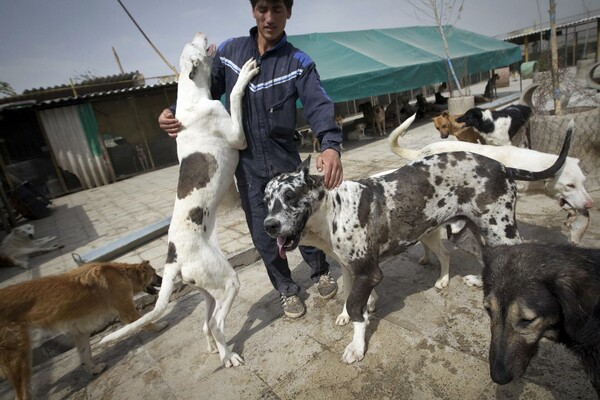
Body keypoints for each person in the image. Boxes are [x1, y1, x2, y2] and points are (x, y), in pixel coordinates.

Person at [158, 0, 343, 319]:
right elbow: (201, 89)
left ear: (289, 12)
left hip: (284, 158)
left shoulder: (298, 62)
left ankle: (319, 271)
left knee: (304, 218)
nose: (269, 18)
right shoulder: (230, 53)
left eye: (277, 10)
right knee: (263, 231)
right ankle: (286, 287)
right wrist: (173, 115)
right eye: (262, 9)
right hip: (248, 164)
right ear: (253, 10)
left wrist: (330, 145)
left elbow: (317, 103)